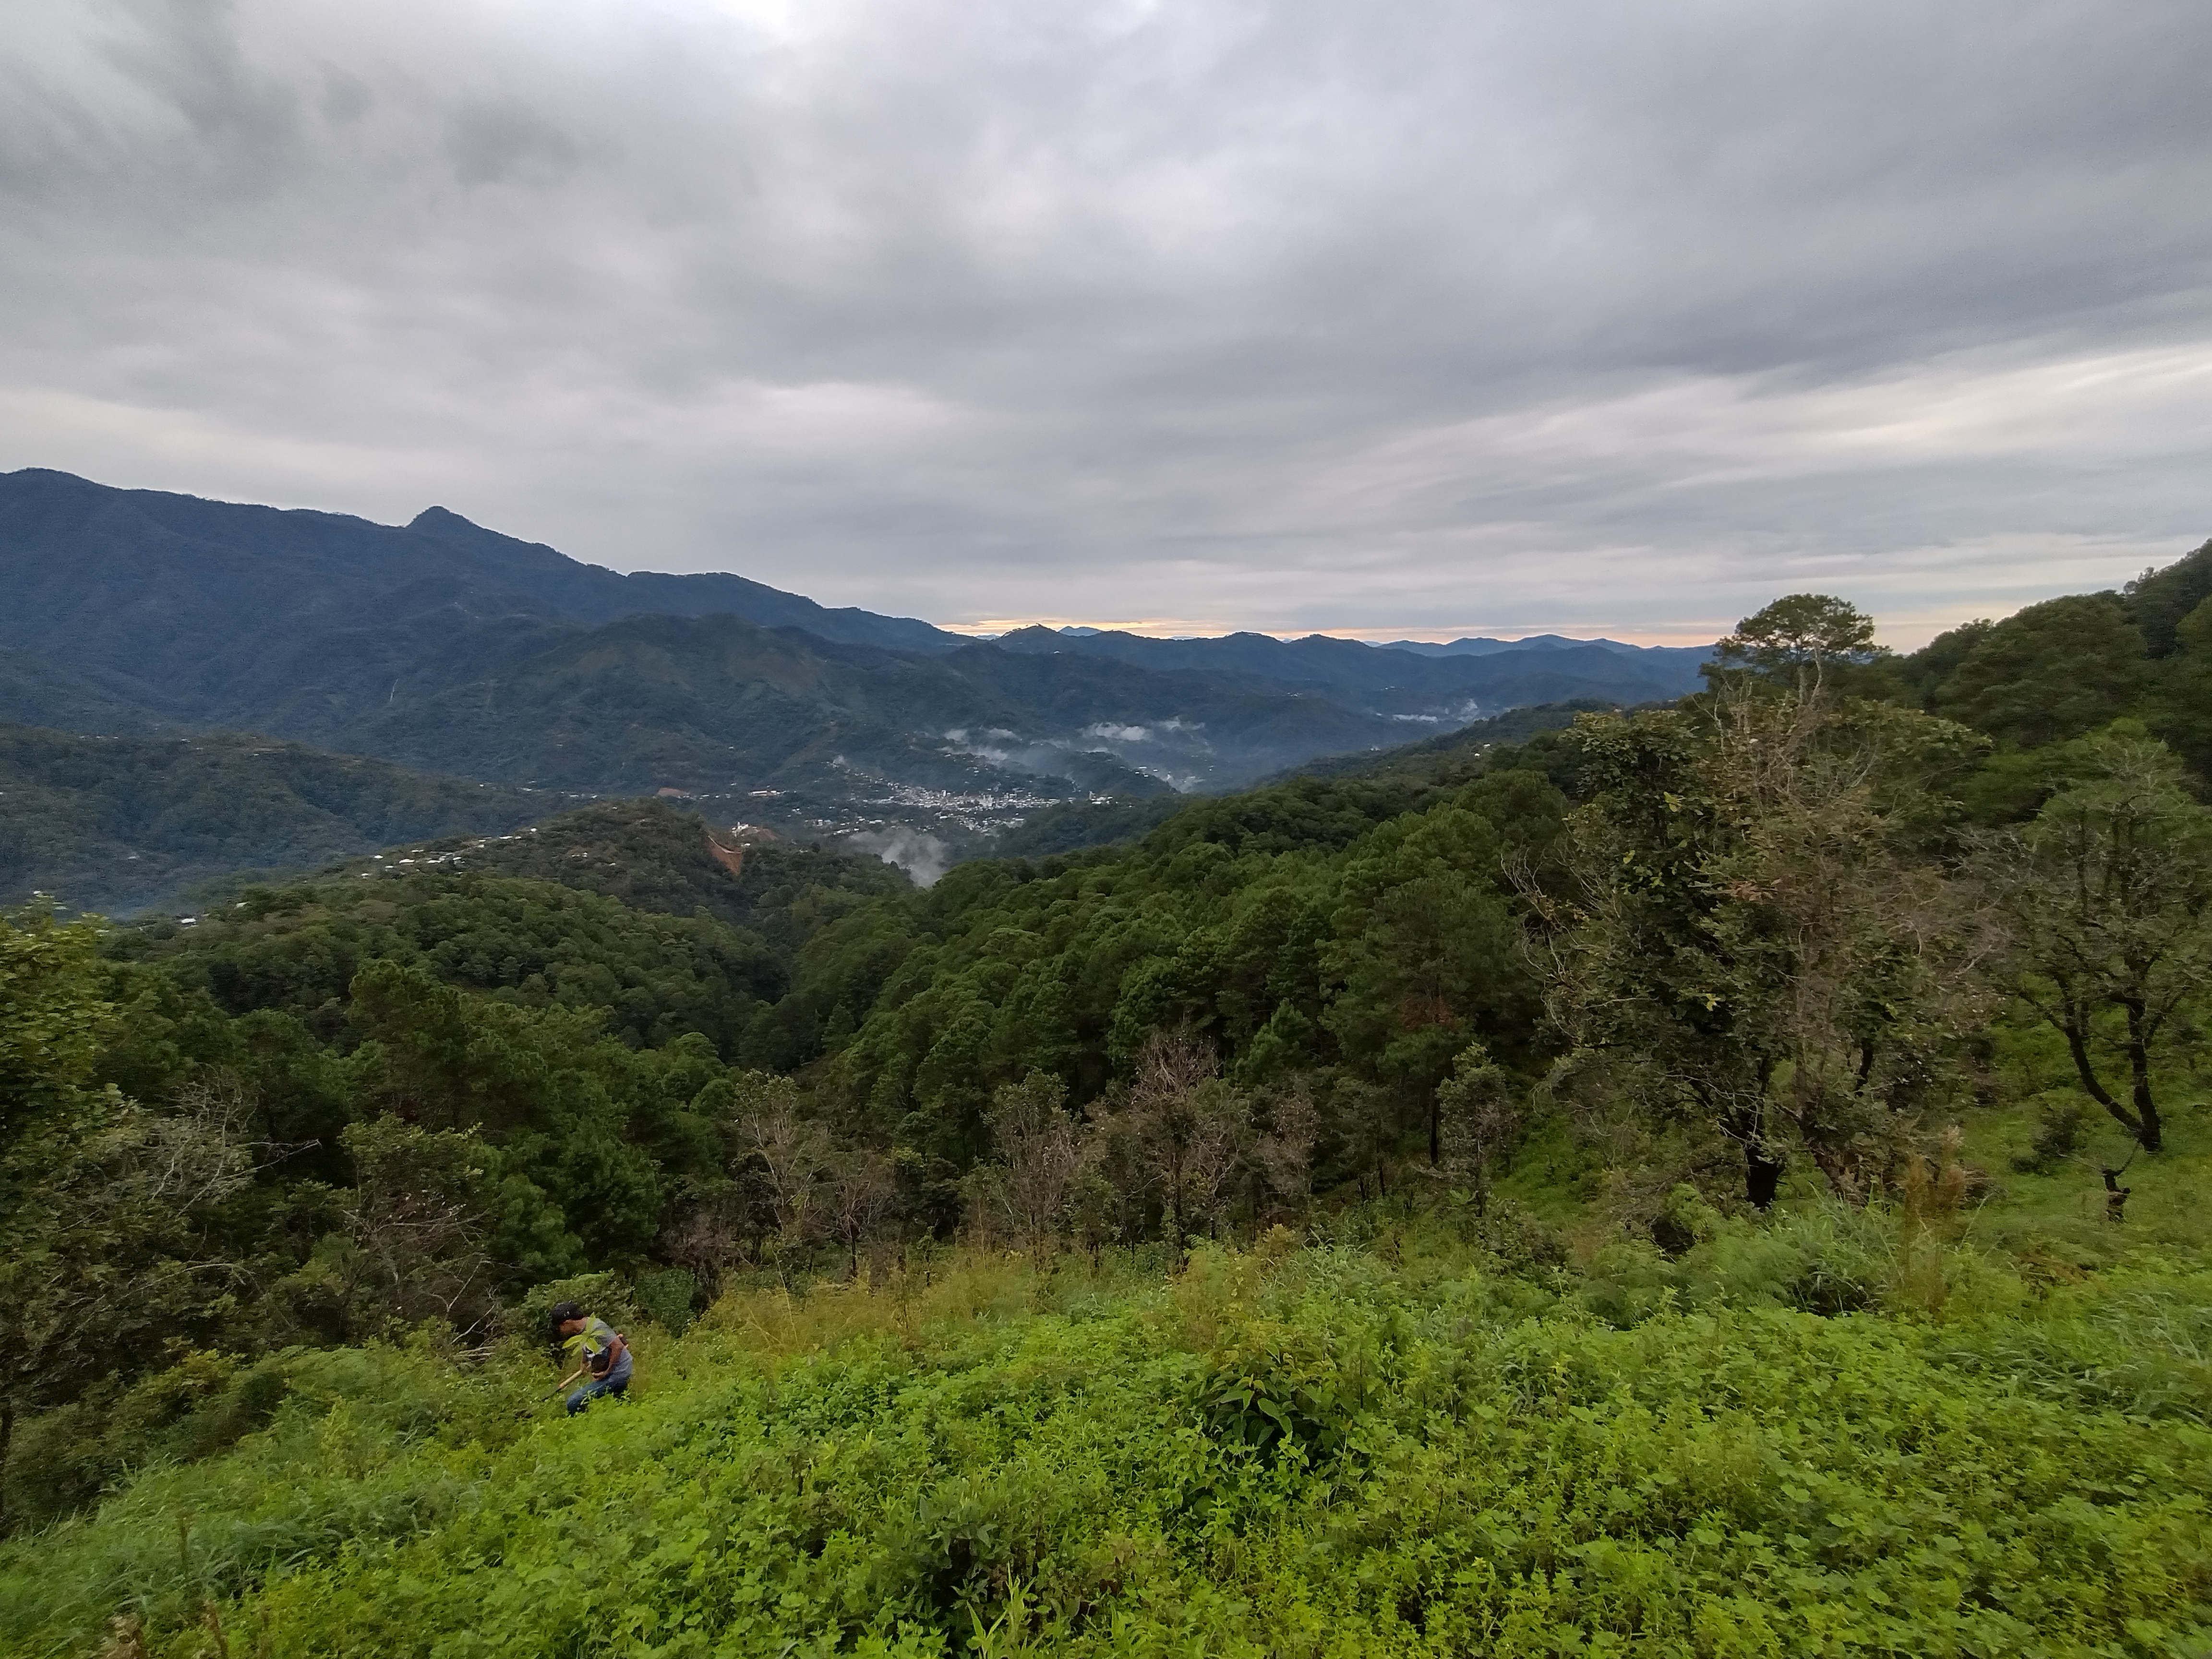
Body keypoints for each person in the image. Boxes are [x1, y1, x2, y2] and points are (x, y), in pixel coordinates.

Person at [549, 1300, 631, 1415]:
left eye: (559, 1328)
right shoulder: (582, 1328)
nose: (560, 1332)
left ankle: (585, 1423)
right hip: (611, 1373)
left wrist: (607, 1372)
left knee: (573, 1403)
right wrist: (584, 1362)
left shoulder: (596, 1327)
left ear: (567, 1323)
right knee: (623, 1405)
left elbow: (618, 1346)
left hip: (618, 1373)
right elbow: (588, 1344)